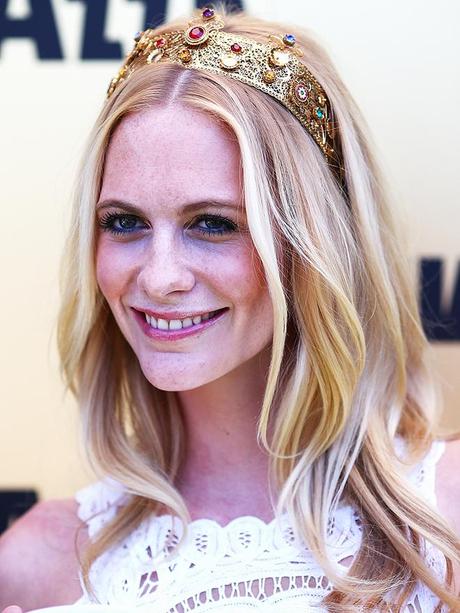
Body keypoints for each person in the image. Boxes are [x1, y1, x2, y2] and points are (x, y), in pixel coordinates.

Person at [1, 3, 459, 611]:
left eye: (212, 223)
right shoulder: (41, 566)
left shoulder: (445, 518)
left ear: (310, 243)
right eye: (125, 222)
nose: (159, 277)